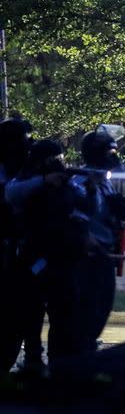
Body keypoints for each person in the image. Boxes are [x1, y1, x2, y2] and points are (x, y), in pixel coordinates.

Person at [8, 140, 91, 366]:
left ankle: (59, 362)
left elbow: (82, 204)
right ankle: (33, 358)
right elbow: (12, 193)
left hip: (61, 258)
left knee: (63, 314)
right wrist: (44, 180)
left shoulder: (66, 184)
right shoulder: (26, 179)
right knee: (31, 313)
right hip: (33, 257)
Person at [70, 126, 125, 347]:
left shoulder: (105, 181)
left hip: (104, 252)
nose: (114, 157)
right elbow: (76, 215)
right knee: (87, 305)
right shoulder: (80, 180)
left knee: (103, 304)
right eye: (110, 153)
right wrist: (87, 239)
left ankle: (87, 344)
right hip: (87, 255)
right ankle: (79, 351)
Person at [0, 117, 36, 371]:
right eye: (24, 141)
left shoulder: (24, 172)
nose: (28, 146)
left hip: (19, 257)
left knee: (19, 316)